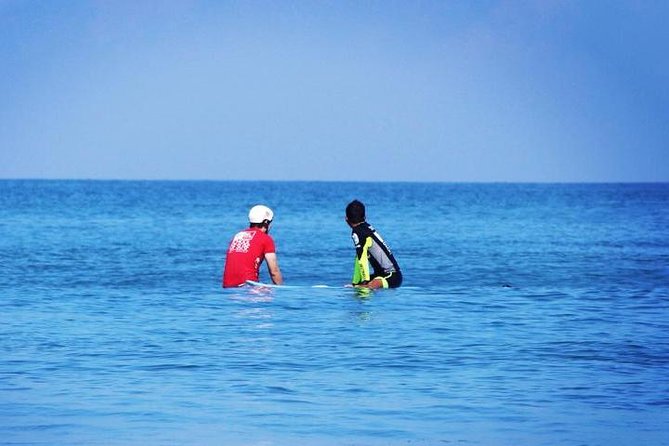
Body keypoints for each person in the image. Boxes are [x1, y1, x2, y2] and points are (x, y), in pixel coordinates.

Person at [345, 199, 402, 289]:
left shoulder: (357, 232)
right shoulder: (366, 227)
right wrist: (355, 283)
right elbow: (358, 258)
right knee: (355, 286)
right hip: (382, 275)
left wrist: (365, 282)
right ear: (365, 217)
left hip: (392, 276)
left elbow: (362, 258)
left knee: (368, 286)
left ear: (346, 219)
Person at [222, 205, 283, 288]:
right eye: (271, 222)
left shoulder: (238, 235)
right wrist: (282, 292)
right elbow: (274, 271)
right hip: (248, 288)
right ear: (266, 222)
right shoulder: (266, 239)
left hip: (227, 288)